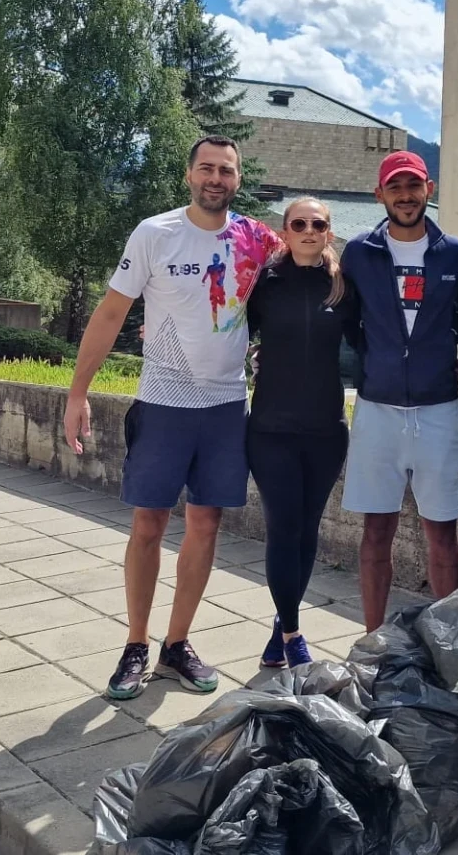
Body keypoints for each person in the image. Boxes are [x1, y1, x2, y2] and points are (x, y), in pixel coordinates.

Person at [63, 134, 280, 700]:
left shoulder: (256, 238)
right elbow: (111, 313)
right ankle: (136, 644)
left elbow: (312, 259)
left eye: (226, 170)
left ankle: (176, 643)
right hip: (163, 400)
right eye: (206, 168)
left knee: (206, 524)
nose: (216, 178)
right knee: (148, 525)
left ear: (237, 177)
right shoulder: (155, 233)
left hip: (228, 404)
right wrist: (77, 392)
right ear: (189, 175)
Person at [341, 150, 458, 631]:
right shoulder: (359, 252)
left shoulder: (456, 254)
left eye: (413, 185)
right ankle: (373, 641)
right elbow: (348, 321)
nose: (405, 195)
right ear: (379, 194)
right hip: (377, 410)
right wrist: (384, 358)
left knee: (442, 533)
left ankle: (453, 646)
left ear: (429, 190)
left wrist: (435, 351)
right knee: (376, 531)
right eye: (394, 187)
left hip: (438, 411)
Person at [246, 196, 358, 669]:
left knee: (308, 529)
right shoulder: (265, 284)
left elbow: (379, 341)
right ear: (285, 231)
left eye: (318, 224)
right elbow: (224, 329)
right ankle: (293, 636)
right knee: (283, 527)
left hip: (326, 430)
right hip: (271, 428)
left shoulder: (342, 286)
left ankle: (281, 624)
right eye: (299, 223)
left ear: (328, 232)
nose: (309, 230)